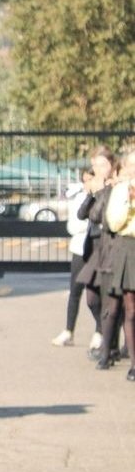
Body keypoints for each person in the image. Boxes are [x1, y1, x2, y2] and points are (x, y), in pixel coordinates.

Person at [77, 147, 118, 362]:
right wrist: (90, 194)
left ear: (112, 166)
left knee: (109, 300)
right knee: (92, 299)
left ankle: (108, 346)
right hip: (93, 247)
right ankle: (104, 335)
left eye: (103, 165)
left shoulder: (113, 189)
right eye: (95, 166)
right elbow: (83, 214)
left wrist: (101, 191)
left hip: (109, 247)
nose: (98, 170)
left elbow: (101, 216)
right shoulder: (96, 190)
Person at [52, 170, 94, 347]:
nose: (88, 183)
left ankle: (100, 332)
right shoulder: (79, 198)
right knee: (75, 291)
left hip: (96, 249)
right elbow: (73, 225)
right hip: (79, 248)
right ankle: (69, 330)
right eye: (85, 180)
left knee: (95, 296)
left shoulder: (102, 196)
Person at [105, 149, 135, 380]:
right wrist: (128, 201)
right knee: (131, 309)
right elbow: (114, 223)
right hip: (129, 247)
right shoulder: (120, 192)